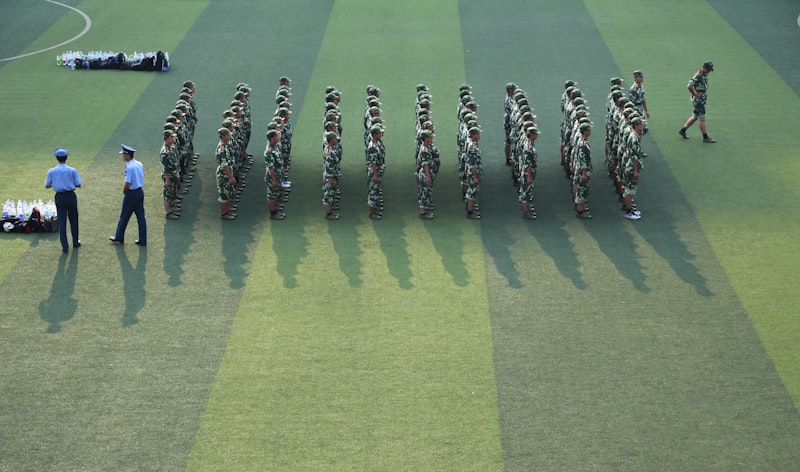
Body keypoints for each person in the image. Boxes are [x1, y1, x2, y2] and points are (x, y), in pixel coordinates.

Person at [45, 147, 82, 252]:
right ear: (67, 158)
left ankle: (64, 246)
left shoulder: (52, 171)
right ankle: (75, 242)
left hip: (59, 196)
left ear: (57, 158)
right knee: (74, 219)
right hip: (70, 196)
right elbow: (78, 184)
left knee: (62, 221)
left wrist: (57, 183)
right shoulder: (72, 170)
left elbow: (47, 185)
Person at [109, 144, 147, 245]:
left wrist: (124, 191)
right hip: (140, 192)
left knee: (124, 216)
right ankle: (143, 239)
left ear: (127, 155)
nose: (122, 156)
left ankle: (119, 237)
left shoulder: (129, 167)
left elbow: (128, 183)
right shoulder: (139, 164)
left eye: (123, 154)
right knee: (141, 217)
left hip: (131, 194)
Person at [679, 61, 715, 143]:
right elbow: (689, 85)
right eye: (709, 69)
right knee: (702, 118)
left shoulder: (703, 74)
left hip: (700, 99)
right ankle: (705, 137)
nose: (709, 71)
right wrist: (694, 94)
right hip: (699, 100)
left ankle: (683, 130)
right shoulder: (698, 76)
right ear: (705, 68)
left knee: (695, 116)